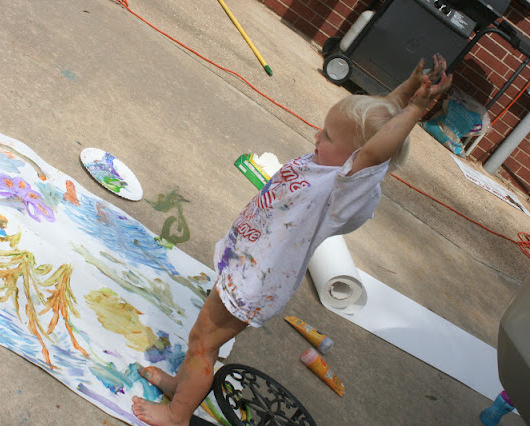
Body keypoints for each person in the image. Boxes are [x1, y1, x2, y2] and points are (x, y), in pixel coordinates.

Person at [132, 54, 453, 425]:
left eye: (327, 136)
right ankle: (180, 386)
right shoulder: (327, 164)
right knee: (200, 338)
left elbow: (374, 150)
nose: (317, 136)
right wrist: (408, 90)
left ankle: (177, 414)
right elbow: (373, 127)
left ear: (355, 160)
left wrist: (416, 108)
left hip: (255, 282)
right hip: (247, 265)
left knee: (204, 342)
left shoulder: (340, 188)